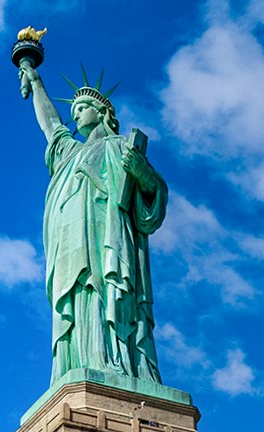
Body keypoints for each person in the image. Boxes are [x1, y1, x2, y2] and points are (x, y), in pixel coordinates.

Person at [18, 60, 167, 385]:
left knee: (107, 293)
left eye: (83, 107)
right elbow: (51, 126)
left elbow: (153, 201)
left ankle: (119, 365)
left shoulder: (120, 148)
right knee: (79, 299)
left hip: (108, 241)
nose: (76, 114)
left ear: (102, 112)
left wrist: (143, 175)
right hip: (71, 248)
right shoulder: (69, 153)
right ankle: (81, 364)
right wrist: (37, 82)